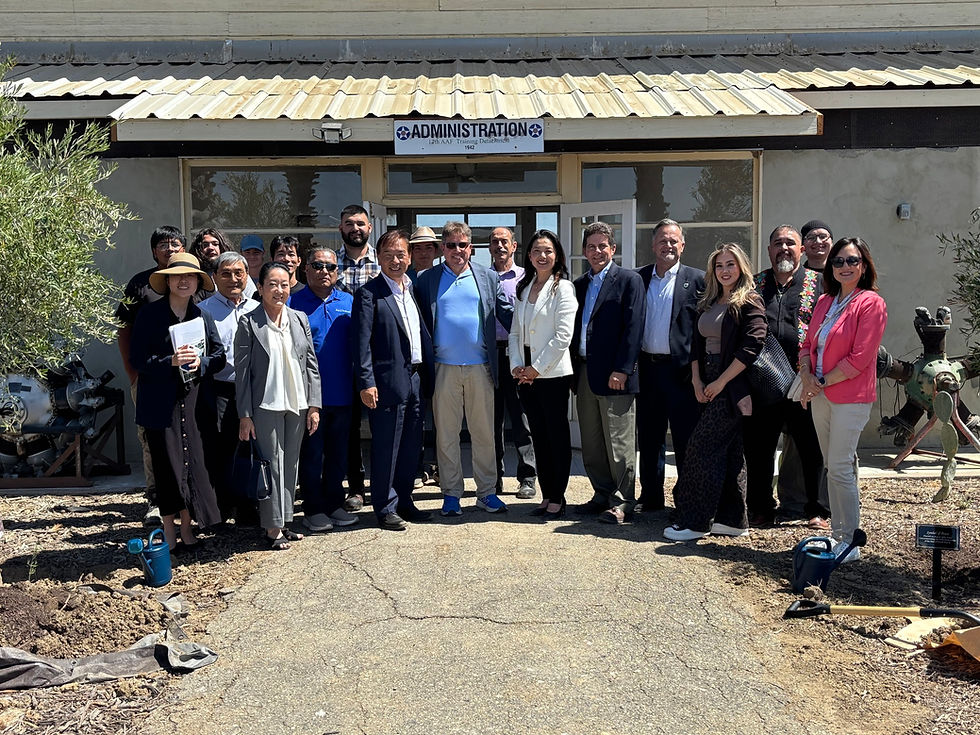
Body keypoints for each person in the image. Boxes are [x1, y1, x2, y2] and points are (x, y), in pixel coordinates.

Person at [663, 243, 766, 541]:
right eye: (719, 265)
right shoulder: (708, 301)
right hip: (705, 380)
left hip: (732, 385)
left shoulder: (750, 301)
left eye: (730, 264)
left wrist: (721, 382)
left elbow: (752, 346)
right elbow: (696, 344)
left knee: (701, 449)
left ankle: (695, 522)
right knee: (730, 453)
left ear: (741, 267)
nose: (724, 270)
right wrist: (697, 380)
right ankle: (733, 520)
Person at [415, 221, 513, 517]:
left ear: (471, 247)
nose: (457, 250)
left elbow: (509, 316)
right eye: (450, 245)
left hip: (480, 367)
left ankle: (486, 493)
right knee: (446, 435)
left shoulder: (487, 276)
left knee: (484, 434)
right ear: (441, 248)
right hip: (443, 368)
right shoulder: (426, 279)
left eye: (463, 245)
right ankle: (452, 494)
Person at [799, 237, 887, 562]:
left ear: (864, 265)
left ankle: (850, 542)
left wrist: (818, 382)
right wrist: (807, 377)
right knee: (833, 466)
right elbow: (807, 346)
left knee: (839, 467)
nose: (845, 267)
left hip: (850, 397)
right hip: (819, 394)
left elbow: (860, 358)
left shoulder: (871, 303)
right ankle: (839, 534)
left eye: (852, 260)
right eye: (838, 261)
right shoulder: (824, 301)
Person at [130, 253, 225, 550]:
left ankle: (187, 527)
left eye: (190, 276)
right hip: (160, 405)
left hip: (193, 403)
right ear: (168, 280)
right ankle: (168, 530)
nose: (183, 281)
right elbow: (137, 359)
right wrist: (168, 361)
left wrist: (203, 363)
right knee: (167, 467)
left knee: (192, 465)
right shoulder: (149, 315)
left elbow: (219, 356)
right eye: (177, 276)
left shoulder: (202, 315)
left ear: (197, 281)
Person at [743, 225, 828, 529]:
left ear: (801, 250)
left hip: (802, 382)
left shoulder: (819, 285)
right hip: (763, 382)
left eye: (790, 243)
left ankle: (816, 508)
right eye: (777, 243)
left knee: (811, 448)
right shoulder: (754, 285)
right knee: (759, 449)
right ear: (768, 250)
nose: (784, 248)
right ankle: (761, 508)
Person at [235, 262, 322, 550]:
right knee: (271, 464)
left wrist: (314, 405)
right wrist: (245, 415)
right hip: (265, 405)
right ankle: (272, 528)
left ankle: (285, 522)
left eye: (284, 284)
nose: (279, 289)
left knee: (291, 464)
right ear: (260, 288)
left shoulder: (299, 318)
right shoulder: (249, 322)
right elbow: (243, 374)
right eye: (272, 284)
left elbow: (311, 364)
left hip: (297, 402)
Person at [354, 230, 434, 530]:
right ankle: (384, 506)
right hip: (385, 383)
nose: (395, 260)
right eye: (388, 255)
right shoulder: (368, 294)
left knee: (411, 444)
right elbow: (360, 343)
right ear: (378, 258)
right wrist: (366, 382)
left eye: (401, 254)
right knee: (386, 446)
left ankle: (404, 500)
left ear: (409, 256)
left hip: (415, 378)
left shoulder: (412, 290)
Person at [571, 222, 645, 524]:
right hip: (585, 373)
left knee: (619, 442)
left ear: (612, 249)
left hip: (616, 375)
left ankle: (624, 501)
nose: (597, 251)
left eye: (603, 246)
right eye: (592, 246)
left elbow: (634, 328)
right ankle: (601, 493)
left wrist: (623, 369)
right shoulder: (579, 285)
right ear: (585, 251)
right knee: (591, 441)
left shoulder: (629, 281)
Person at [116, 225, 186, 526]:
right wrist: (133, 373)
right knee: (150, 438)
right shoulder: (139, 285)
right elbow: (123, 330)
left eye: (175, 243)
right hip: (148, 376)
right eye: (162, 244)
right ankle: (156, 500)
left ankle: (187, 499)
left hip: (186, 378)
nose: (169, 249)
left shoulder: (191, 279)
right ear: (153, 251)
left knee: (187, 436)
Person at [635, 219, 705, 513]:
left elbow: (704, 331)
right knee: (649, 437)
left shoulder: (699, 279)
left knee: (685, 438)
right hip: (648, 370)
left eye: (674, 241)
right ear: (653, 245)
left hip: (682, 373)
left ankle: (686, 499)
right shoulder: (638, 279)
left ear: (683, 246)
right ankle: (651, 498)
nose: (668, 245)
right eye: (663, 240)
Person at [291, 247, 360, 532]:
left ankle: (334, 504)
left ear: (338, 272)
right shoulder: (294, 303)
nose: (324, 272)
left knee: (337, 454)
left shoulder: (349, 301)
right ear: (305, 269)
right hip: (309, 397)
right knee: (311, 456)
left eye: (330, 267)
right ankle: (313, 509)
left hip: (344, 393)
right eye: (317, 266)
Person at [508, 230, 576, 520]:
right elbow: (514, 333)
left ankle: (558, 497)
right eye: (537, 250)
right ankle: (546, 494)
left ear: (557, 254)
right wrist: (516, 367)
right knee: (539, 437)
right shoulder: (525, 287)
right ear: (529, 255)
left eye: (548, 250)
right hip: (526, 376)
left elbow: (563, 336)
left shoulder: (563, 288)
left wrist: (536, 368)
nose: (542, 256)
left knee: (556, 437)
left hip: (552, 376)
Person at [198, 252, 260, 525]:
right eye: (226, 273)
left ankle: (248, 506)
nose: (233, 279)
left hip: (254, 390)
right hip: (220, 389)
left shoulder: (257, 308)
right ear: (214, 277)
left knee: (251, 449)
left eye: (239, 273)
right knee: (222, 449)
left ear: (247, 276)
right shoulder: (204, 310)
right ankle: (222, 508)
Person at [336, 205, 381, 511]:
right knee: (349, 428)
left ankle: (383, 484)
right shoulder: (329, 264)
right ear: (341, 229)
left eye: (360, 223)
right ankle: (355, 486)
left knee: (381, 424)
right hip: (341, 357)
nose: (355, 228)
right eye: (349, 223)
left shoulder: (382, 263)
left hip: (378, 357)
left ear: (369, 228)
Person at [489, 226, 537, 499]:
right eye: (494, 242)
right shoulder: (481, 277)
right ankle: (494, 479)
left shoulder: (524, 278)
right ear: (489, 248)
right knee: (491, 420)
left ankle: (527, 477)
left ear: (514, 246)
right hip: (488, 355)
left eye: (504, 241)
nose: (499, 246)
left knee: (520, 417)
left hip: (516, 353)